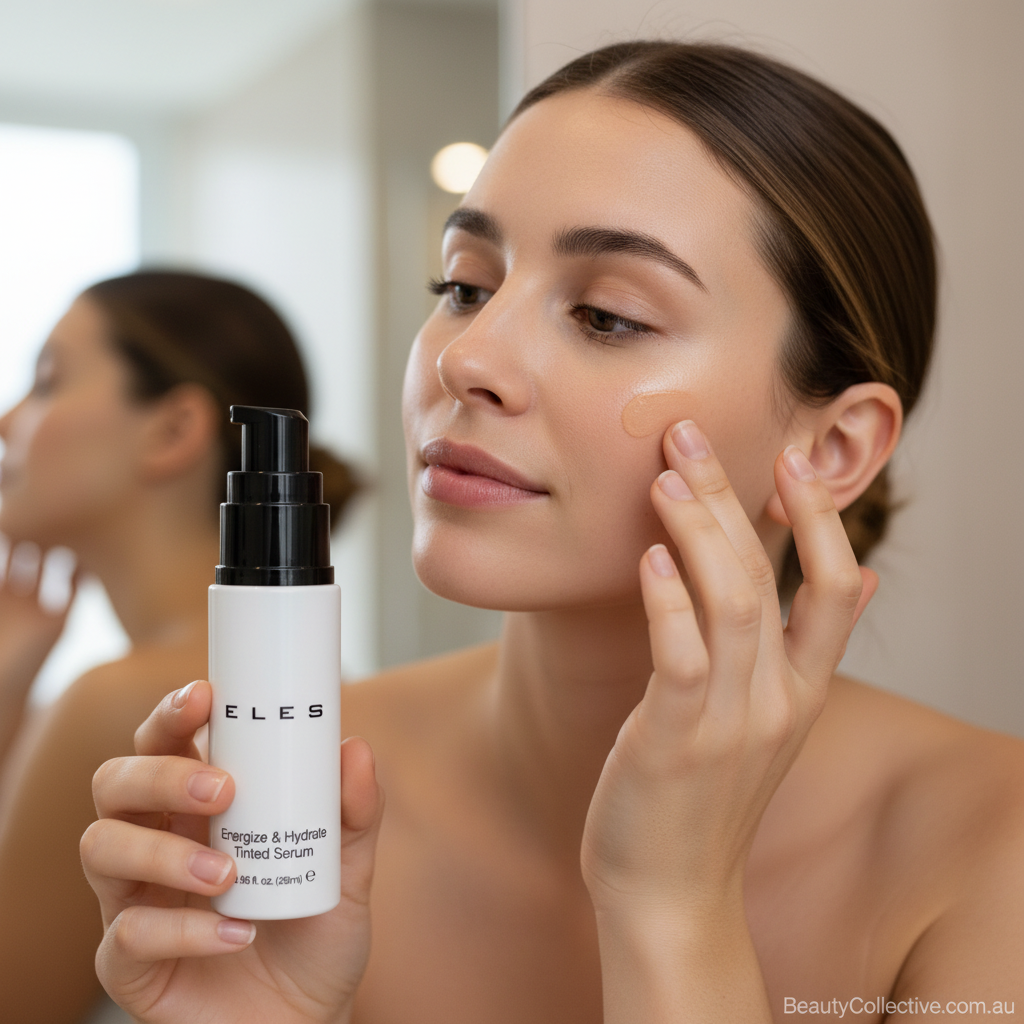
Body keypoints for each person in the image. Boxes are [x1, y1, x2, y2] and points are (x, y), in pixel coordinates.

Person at [83, 42, 1022, 1024]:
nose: (468, 358)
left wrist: (672, 908)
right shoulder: (298, 801)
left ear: (831, 448)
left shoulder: (992, 843)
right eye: (464, 286)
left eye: (607, 315)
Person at [0, 270, 358, 1024]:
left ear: (171, 430)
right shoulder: (271, 671)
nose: (7, 421)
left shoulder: (116, 702)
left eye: (47, 381)